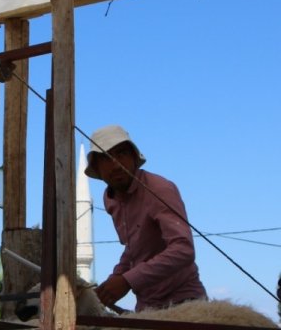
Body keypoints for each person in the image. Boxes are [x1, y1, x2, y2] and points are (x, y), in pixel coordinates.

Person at [85, 124, 206, 311]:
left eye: (121, 154)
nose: (115, 164)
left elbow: (183, 249)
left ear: (134, 158)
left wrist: (127, 281)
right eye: (105, 158)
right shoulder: (110, 199)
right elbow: (133, 249)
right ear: (97, 169)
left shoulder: (159, 189)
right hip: (147, 306)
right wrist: (113, 281)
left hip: (184, 304)